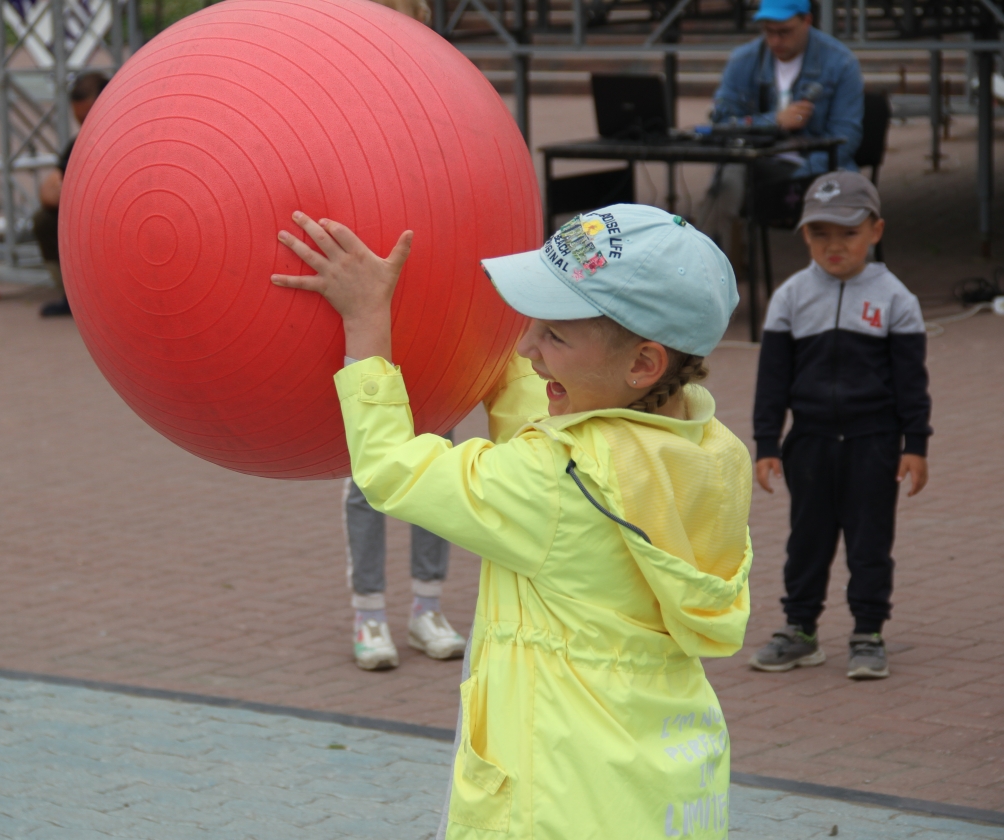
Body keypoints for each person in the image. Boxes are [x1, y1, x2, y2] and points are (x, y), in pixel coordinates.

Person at [273, 204, 751, 838]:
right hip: (659, 786)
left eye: (554, 335)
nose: (527, 346)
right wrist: (502, 359)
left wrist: (367, 322)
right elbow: (565, 426)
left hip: (557, 800)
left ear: (643, 364)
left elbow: (393, 469)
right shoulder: (710, 449)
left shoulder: (555, 481)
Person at [749, 172, 931, 681]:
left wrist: (914, 444)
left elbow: (911, 384)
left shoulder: (897, 300)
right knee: (806, 540)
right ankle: (799, 630)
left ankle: (868, 632)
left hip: (874, 443)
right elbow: (773, 381)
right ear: (805, 235)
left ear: (875, 231)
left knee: (870, 541)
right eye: (820, 234)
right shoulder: (790, 297)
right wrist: (767, 442)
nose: (834, 246)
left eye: (848, 233)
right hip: (808, 444)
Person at [702, 0, 864, 249]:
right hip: (758, 162)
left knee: (847, 193)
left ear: (807, 21)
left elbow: (846, 138)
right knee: (725, 180)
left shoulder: (841, 62)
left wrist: (797, 180)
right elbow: (722, 123)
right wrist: (775, 120)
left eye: (784, 32)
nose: (775, 41)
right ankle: (707, 264)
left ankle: (856, 278)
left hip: (818, 164)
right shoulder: (742, 60)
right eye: (768, 31)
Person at [344, 443, 467, 671]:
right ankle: (369, 617)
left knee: (433, 474)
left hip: (432, 405)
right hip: (366, 406)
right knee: (366, 482)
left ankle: (427, 610)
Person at [34, 71, 109, 318]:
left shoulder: (128, 136)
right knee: (45, 220)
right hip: (90, 216)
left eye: (88, 117)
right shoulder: (79, 144)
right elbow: (49, 192)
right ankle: (73, 298)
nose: (84, 126)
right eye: (79, 119)